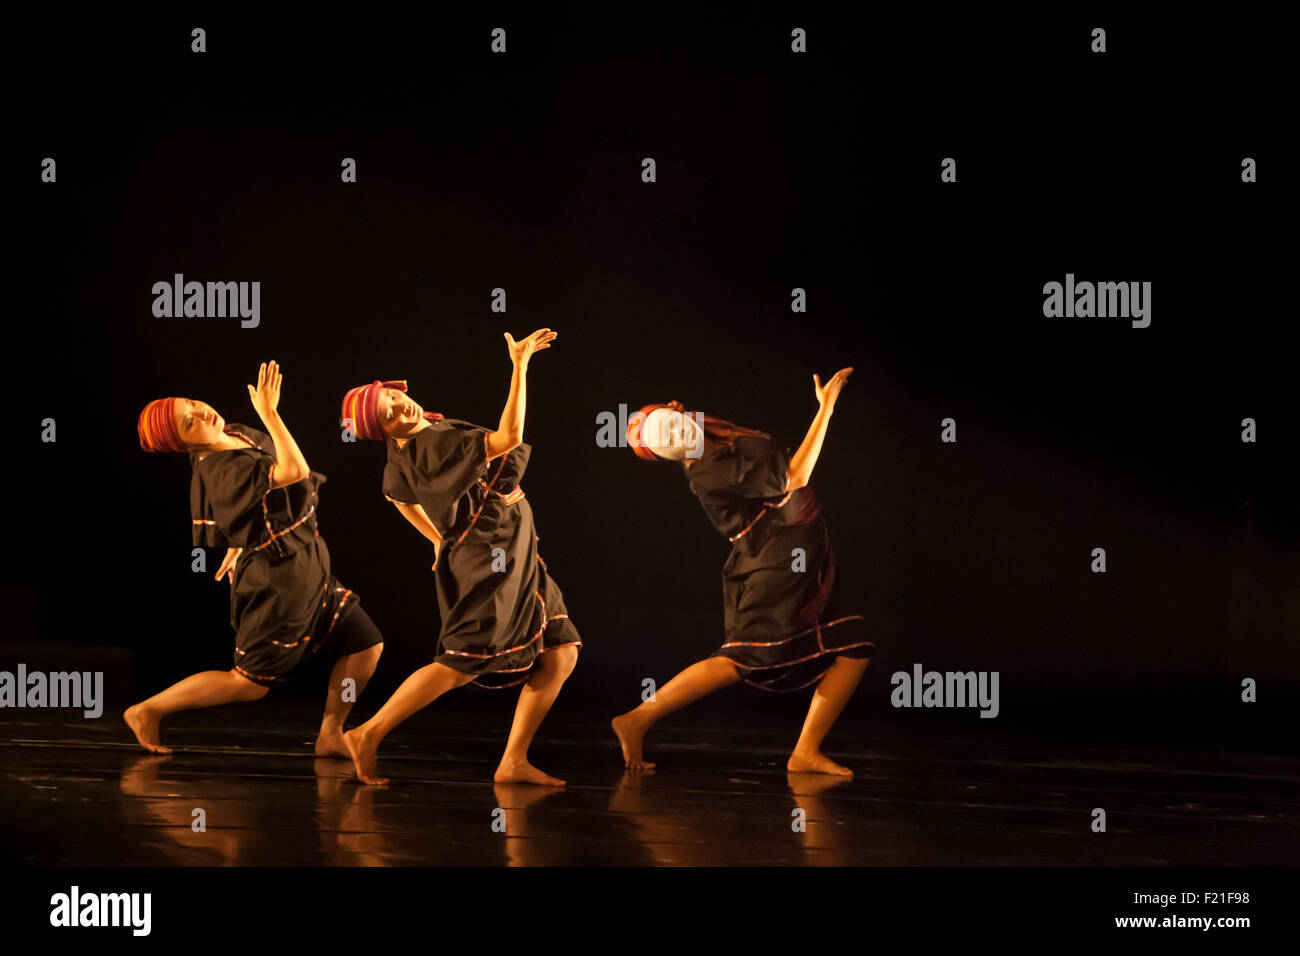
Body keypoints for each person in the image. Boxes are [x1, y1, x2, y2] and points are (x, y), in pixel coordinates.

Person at [339, 329, 581, 786]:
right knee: (464, 658)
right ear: (384, 431)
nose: (398, 406)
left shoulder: (406, 444)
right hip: (491, 552)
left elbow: (396, 495)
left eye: (391, 397)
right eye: (388, 414)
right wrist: (520, 366)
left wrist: (436, 538)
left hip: (507, 544)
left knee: (561, 650)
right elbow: (509, 437)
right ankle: (368, 732)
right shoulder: (436, 444)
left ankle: (512, 761)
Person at [613, 367, 872, 776]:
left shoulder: (709, 433)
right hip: (777, 562)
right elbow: (796, 476)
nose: (678, 436)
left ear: (679, 411)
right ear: (667, 458)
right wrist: (826, 410)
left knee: (852, 648)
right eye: (668, 444)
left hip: (797, 554)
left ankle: (805, 752)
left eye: (674, 425)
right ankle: (637, 719)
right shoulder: (709, 472)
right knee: (743, 658)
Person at [126, 361, 384, 757]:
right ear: (185, 444)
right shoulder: (222, 470)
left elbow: (247, 511)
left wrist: (236, 542)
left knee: (365, 643)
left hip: (308, 563)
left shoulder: (232, 433)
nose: (202, 412)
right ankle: (148, 709)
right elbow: (294, 472)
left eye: (194, 404)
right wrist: (271, 412)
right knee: (249, 683)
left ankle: (331, 732)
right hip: (277, 580)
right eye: (189, 422)